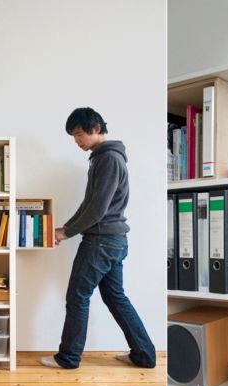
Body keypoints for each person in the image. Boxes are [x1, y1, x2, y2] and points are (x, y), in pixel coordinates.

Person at [39, 107, 156, 369]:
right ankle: (144, 354)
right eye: (73, 136)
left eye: (79, 134)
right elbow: (89, 203)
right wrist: (66, 228)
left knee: (77, 297)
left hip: (101, 242)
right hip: (112, 240)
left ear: (96, 128)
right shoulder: (101, 158)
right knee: (116, 297)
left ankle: (68, 358)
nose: (77, 141)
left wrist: (67, 232)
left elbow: (97, 209)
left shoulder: (109, 159)